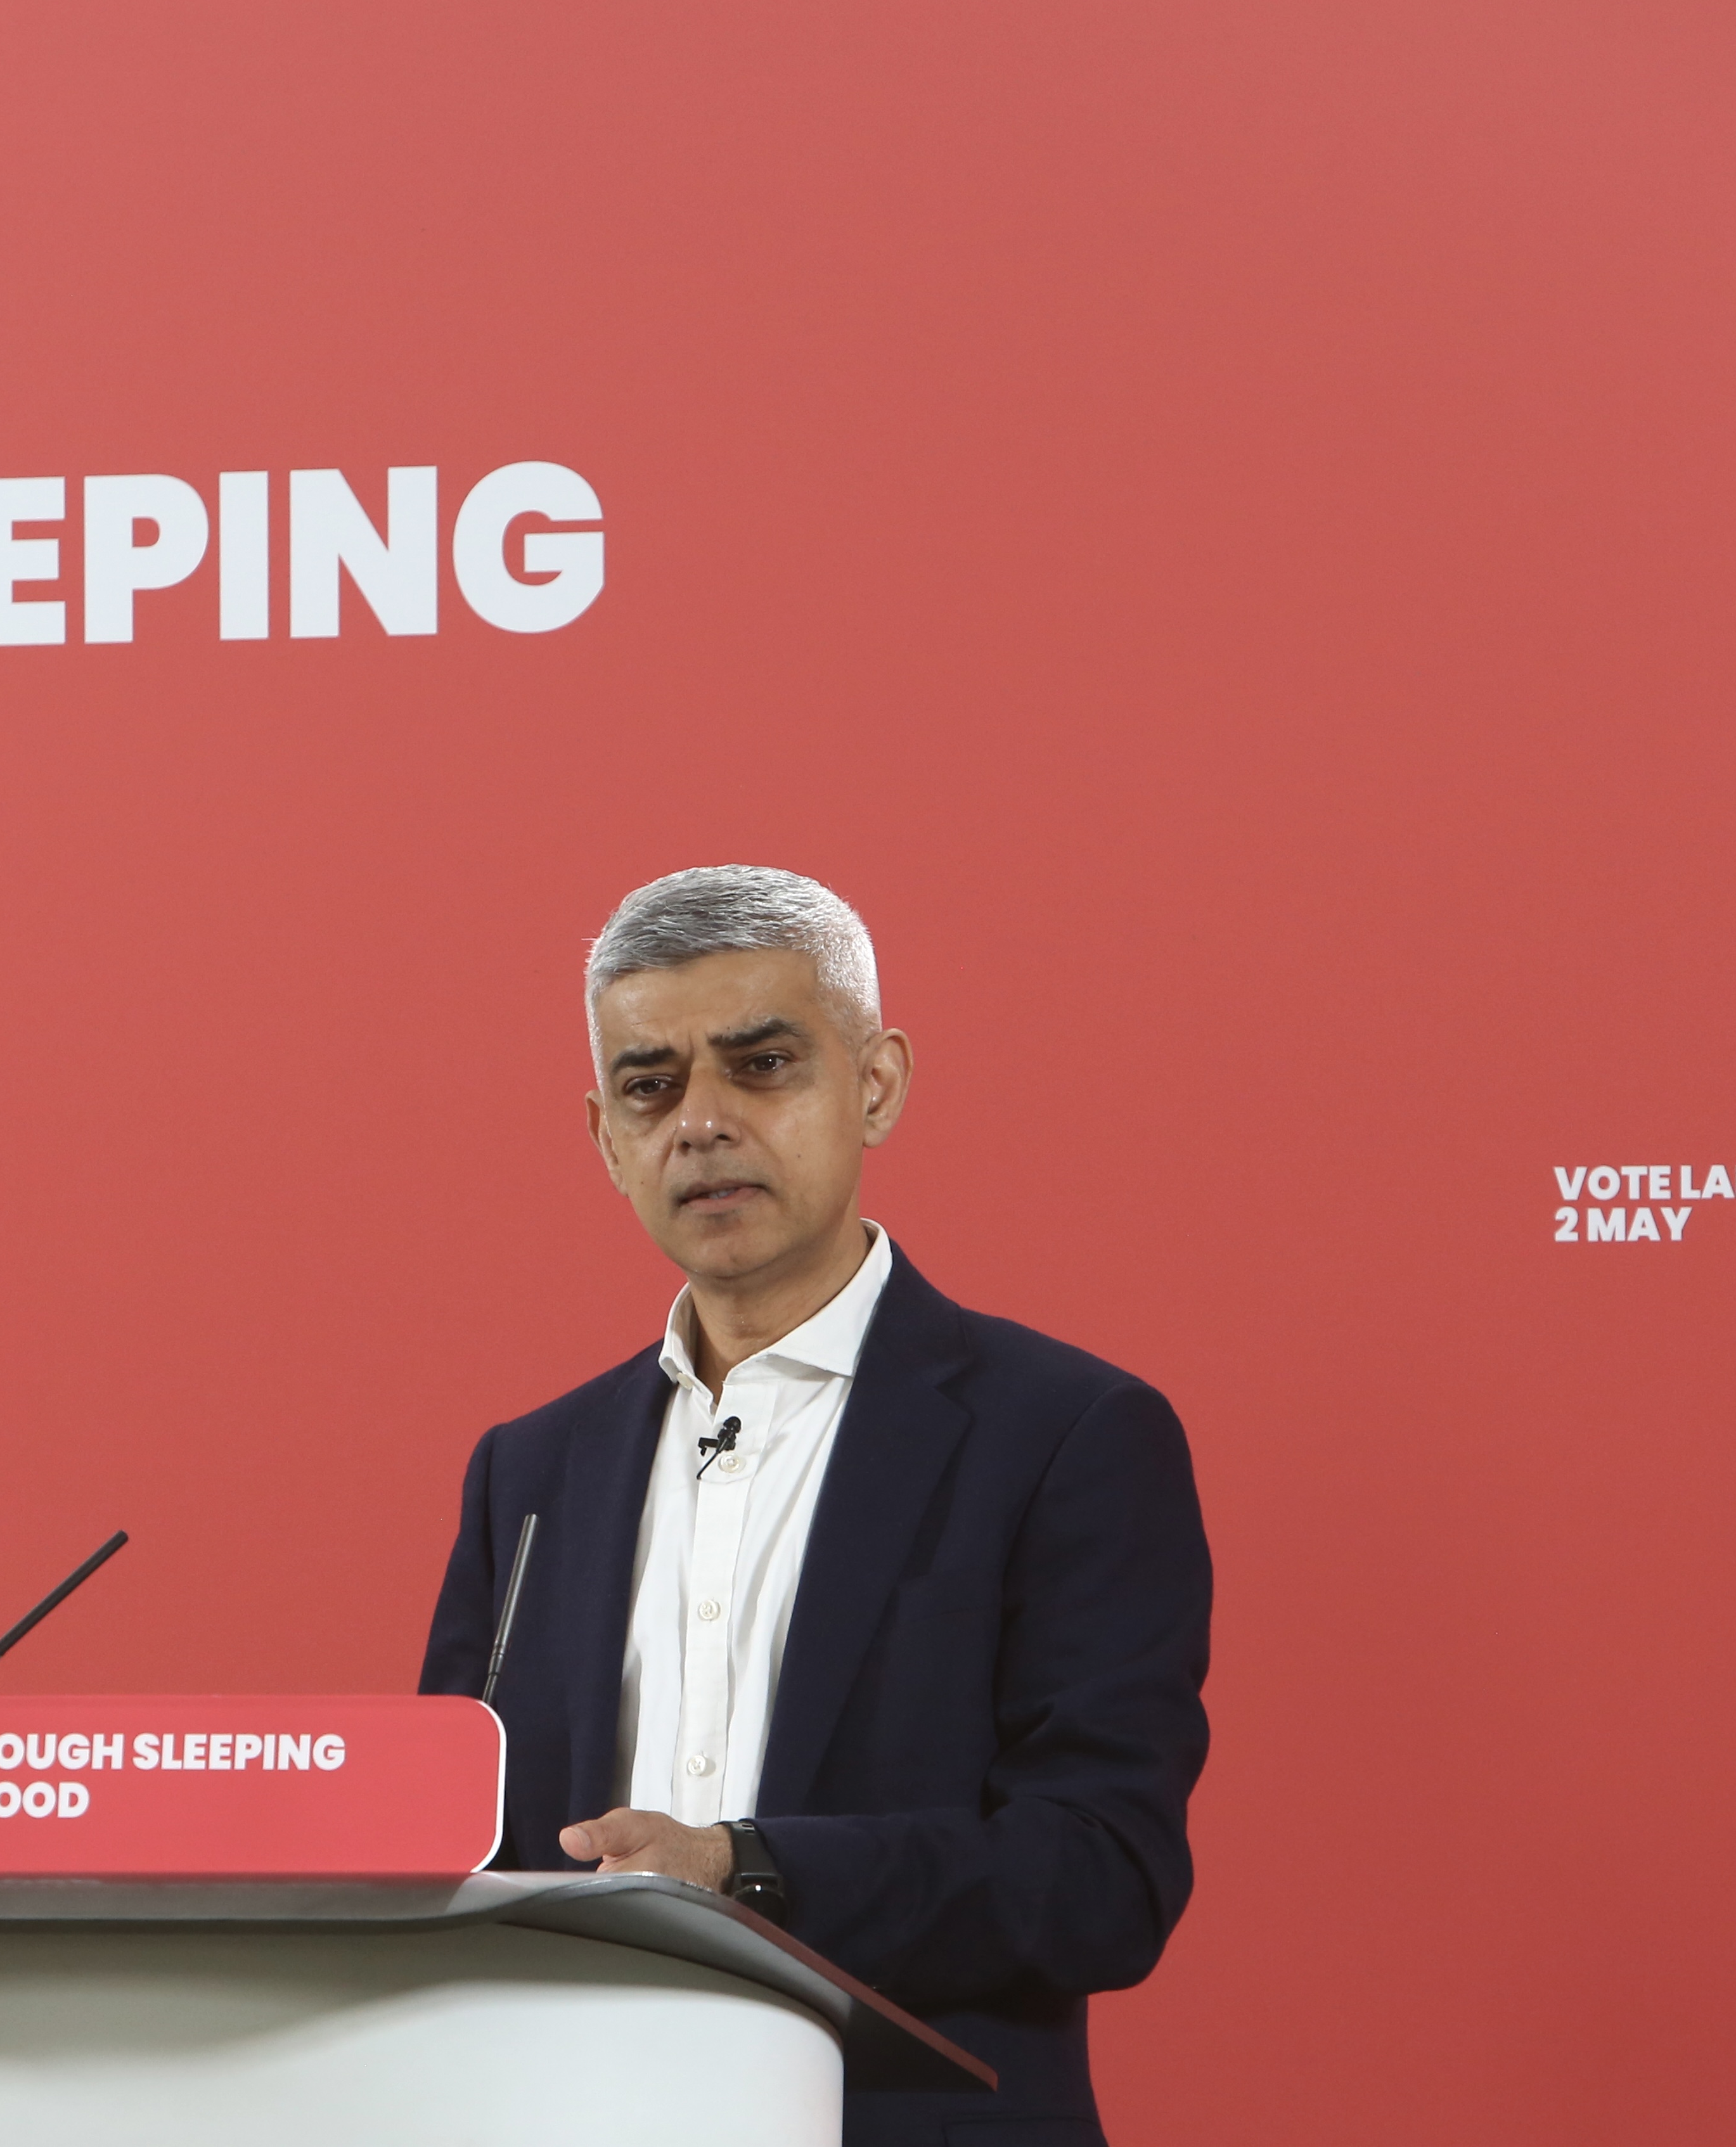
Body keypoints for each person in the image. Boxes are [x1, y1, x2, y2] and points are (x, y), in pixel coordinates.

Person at [421, 865, 1212, 2147]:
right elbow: (454, 1845)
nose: (703, 1121)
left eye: (763, 1063)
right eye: (651, 1085)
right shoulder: (532, 1471)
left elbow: (1098, 1879)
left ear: (878, 1084)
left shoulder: (1063, 1434)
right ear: (605, 1136)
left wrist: (740, 1868)